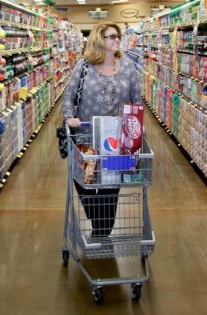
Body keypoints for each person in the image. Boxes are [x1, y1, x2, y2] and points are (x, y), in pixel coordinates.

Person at [62, 22, 142, 240]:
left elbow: (137, 98)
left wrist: (135, 125)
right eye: (110, 36)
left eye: (118, 36)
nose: (116, 39)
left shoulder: (127, 66)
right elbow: (69, 95)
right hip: (86, 137)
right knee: (84, 182)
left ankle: (102, 231)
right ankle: (100, 224)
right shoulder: (84, 66)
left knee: (110, 185)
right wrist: (69, 118)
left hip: (116, 140)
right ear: (99, 40)